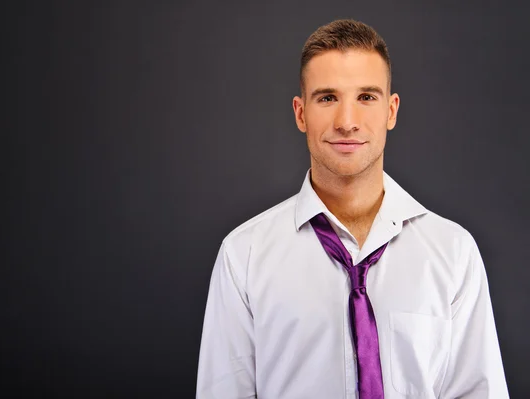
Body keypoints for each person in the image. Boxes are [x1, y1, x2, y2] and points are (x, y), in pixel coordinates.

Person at [195, 19, 508, 399]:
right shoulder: (243, 256)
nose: (347, 122)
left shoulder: (453, 253)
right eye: (327, 98)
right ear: (300, 113)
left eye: (366, 97)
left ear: (391, 111)